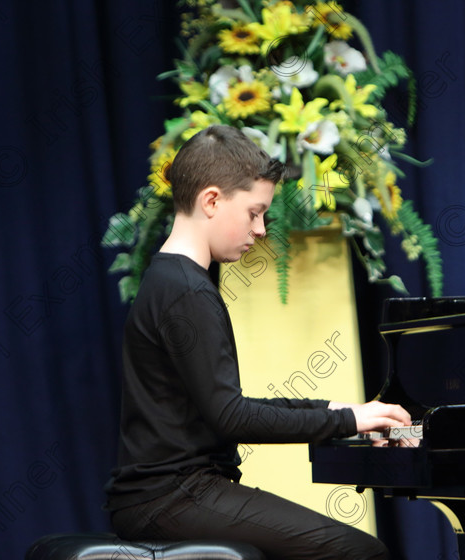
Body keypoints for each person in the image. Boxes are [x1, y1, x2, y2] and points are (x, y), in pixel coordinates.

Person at [103, 125, 412, 559]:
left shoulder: (174, 280)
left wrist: (341, 411)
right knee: (361, 553)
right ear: (211, 200)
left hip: (172, 494)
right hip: (171, 497)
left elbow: (228, 405)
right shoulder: (186, 291)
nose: (262, 229)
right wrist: (347, 422)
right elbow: (234, 417)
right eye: (254, 212)